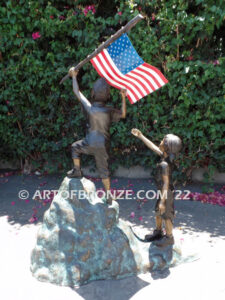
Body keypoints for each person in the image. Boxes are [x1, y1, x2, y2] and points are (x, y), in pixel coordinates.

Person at [67, 67, 127, 204]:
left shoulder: (90, 108)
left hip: (89, 142)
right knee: (104, 171)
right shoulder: (109, 111)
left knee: (75, 147)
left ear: (93, 93)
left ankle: (77, 170)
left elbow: (77, 92)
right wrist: (123, 97)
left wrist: (74, 76)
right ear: (108, 96)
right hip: (102, 145)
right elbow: (123, 114)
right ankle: (108, 195)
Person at [131, 129, 182, 247]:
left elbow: (166, 183)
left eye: (162, 141)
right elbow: (154, 147)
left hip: (166, 193)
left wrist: (163, 201)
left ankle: (169, 237)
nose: (160, 141)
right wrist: (141, 136)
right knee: (158, 212)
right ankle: (158, 232)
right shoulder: (165, 157)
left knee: (166, 215)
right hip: (163, 192)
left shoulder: (165, 164)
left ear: (167, 147)